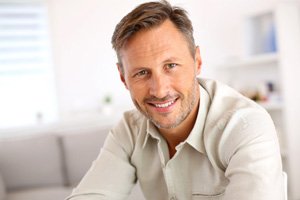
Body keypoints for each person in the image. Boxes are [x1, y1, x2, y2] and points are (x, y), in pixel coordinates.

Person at [66, 1, 284, 199]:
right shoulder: (130, 131)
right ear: (123, 77)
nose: (159, 90)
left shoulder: (246, 125)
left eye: (171, 66)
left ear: (197, 61)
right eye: (142, 73)